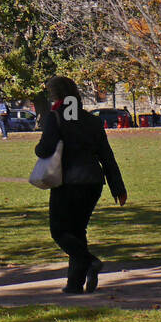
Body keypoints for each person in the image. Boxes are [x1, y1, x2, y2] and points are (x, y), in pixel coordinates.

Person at [34, 76, 127, 295]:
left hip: (68, 181)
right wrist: (118, 189)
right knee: (77, 231)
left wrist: (38, 149)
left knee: (59, 231)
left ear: (55, 95)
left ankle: (90, 261)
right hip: (93, 181)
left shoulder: (55, 117)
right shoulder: (91, 120)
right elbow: (107, 156)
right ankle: (74, 284)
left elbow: (45, 150)